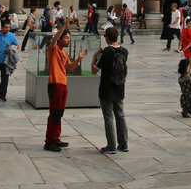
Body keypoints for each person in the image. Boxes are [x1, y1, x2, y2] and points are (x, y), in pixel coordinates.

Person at [44, 22, 88, 152]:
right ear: (61, 39)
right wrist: (64, 26)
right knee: (54, 113)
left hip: (63, 84)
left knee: (59, 113)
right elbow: (54, 38)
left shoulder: (63, 53)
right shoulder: (53, 49)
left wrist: (79, 59)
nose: (68, 40)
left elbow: (69, 67)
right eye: (66, 38)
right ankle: (49, 141)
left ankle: (56, 137)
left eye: (69, 38)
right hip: (55, 84)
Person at [96, 26, 129, 154]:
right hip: (120, 87)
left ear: (107, 38)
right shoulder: (125, 51)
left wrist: (95, 55)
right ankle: (123, 143)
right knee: (120, 114)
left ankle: (111, 145)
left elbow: (94, 69)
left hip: (107, 89)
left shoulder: (105, 52)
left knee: (108, 116)